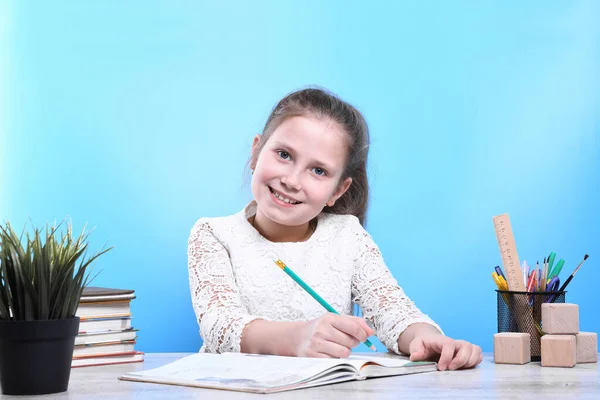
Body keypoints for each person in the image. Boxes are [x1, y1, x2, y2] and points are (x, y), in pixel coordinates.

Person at [187, 87, 482, 371]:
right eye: (284, 155)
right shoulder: (214, 234)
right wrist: (299, 338)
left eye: (318, 171)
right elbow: (219, 325)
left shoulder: (347, 236)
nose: (291, 180)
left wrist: (427, 338)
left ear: (337, 191)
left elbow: (393, 310)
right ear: (256, 152)